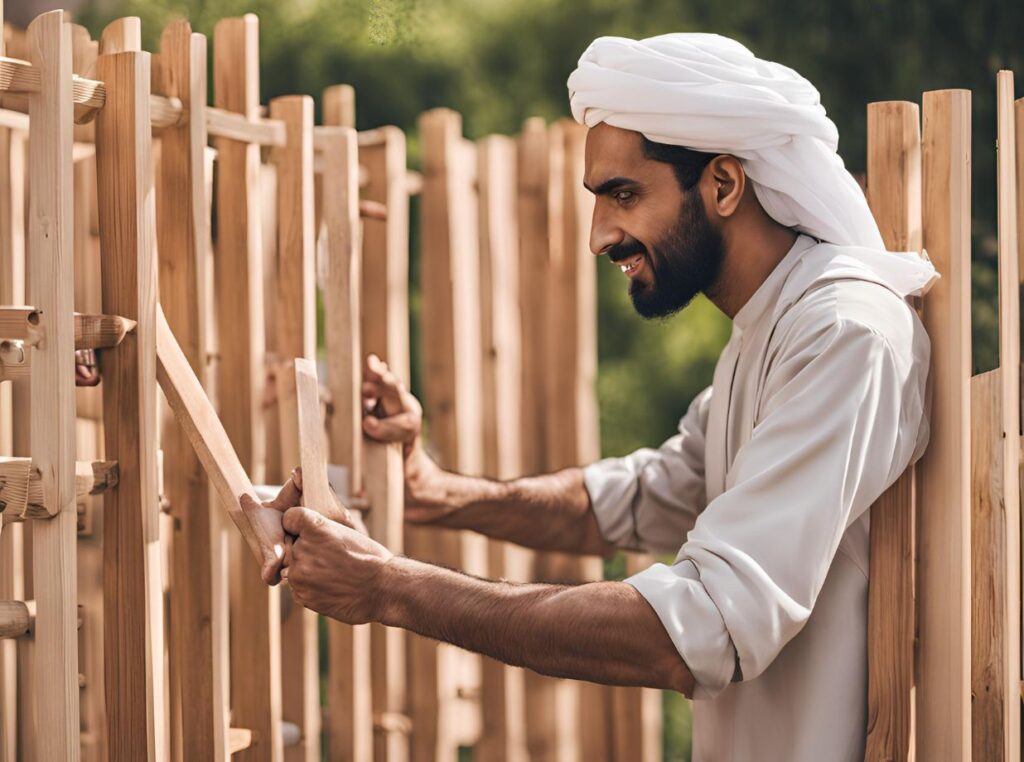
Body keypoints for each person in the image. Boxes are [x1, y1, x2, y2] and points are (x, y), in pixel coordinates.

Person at [255, 33, 937, 761]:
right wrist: (435, 493)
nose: (598, 236)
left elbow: (700, 628)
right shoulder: (771, 329)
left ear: (725, 186)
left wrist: (389, 587)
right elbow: (643, 496)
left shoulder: (843, 334)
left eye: (623, 194)